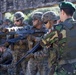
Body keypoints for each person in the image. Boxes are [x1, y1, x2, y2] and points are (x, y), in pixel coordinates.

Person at [41, 1, 76, 75]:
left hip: (63, 69)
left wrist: (53, 28)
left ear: (62, 12)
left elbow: (43, 42)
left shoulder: (59, 27)